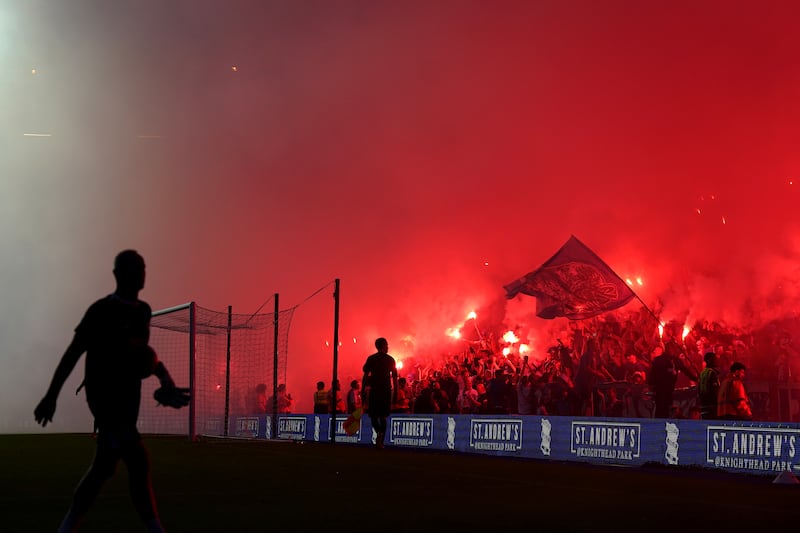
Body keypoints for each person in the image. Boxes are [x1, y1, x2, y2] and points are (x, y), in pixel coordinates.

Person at [33, 250, 189, 533]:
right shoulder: (100, 311)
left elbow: (140, 355)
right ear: (118, 274)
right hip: (107, 401)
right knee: (138, 462)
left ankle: (66, 527)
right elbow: (73, 353)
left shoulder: (143, 312)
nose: (142, 273)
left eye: (143, 267)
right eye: (135, 268)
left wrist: (163, 379)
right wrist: (51, 395)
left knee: (103, 469)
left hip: (128, 401)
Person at [361, 337, 398, 449]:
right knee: (383, 416)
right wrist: (396, 392)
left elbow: (365, 376)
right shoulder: (390, 359)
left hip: (375, 391)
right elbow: (395, 378)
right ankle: (381, 438)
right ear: (383, 346)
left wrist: (363, 390)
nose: (388, 347)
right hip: (385, 391)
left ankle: (379, 435)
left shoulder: (371, 359)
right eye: (387, 345)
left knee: (373, 415)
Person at [697, 352, 720, 419]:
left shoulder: (702, 373)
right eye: (715, 359)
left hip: (703, 404)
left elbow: (699, 388)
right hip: (712, 406)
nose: (716, 361)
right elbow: (715, 391)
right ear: (709, 360)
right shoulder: (712, 373)